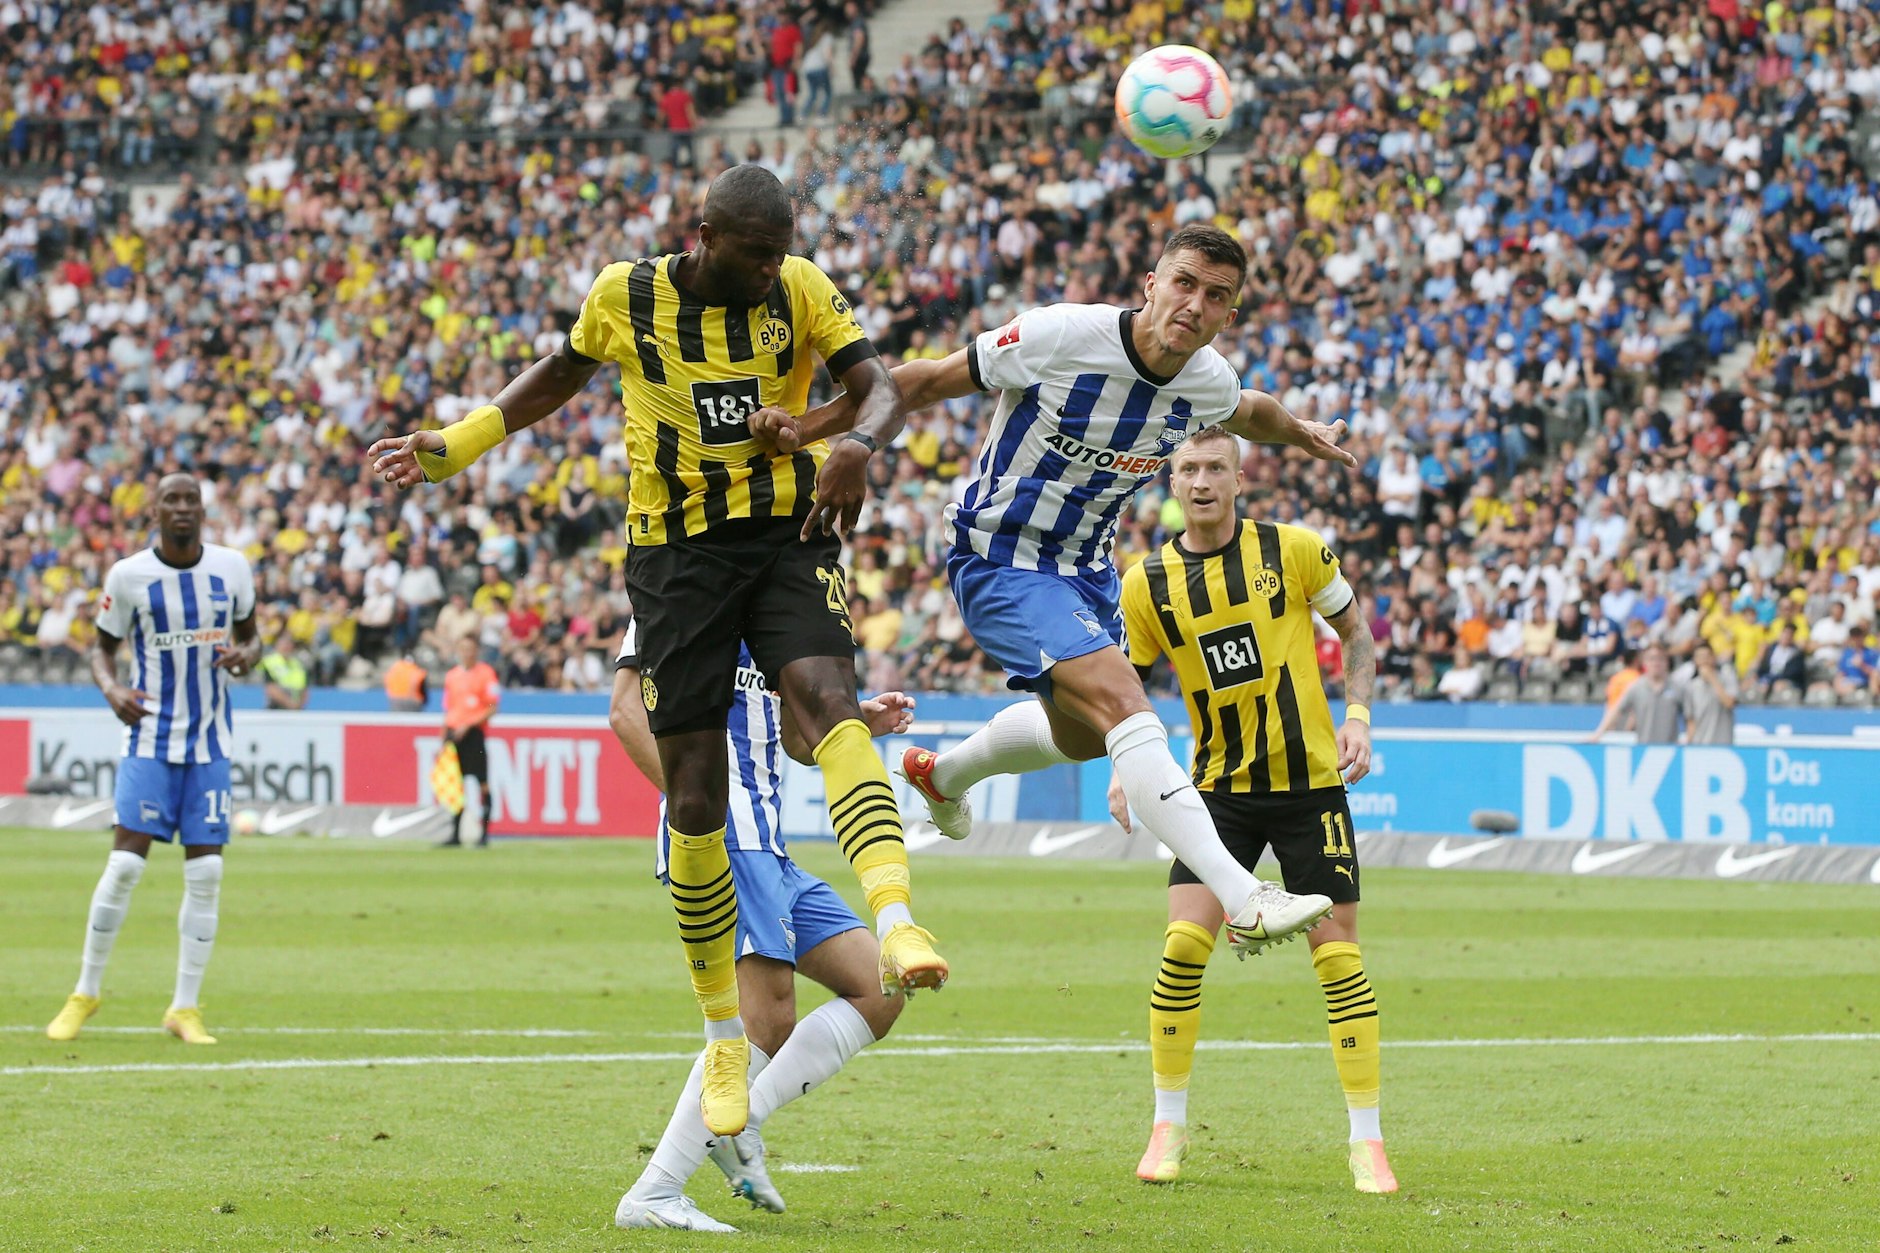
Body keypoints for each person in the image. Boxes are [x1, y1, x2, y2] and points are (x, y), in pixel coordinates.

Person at [369, 164, 944, 1140]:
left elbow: (876, 388)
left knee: (830, 702)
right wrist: (460, 443)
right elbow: (560, 373)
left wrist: (852, 444)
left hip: (786, 531)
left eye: (778, 254)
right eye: (754, 254)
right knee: (694, 798)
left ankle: (895, 916)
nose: (769, 271)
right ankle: (722, 1035)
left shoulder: (798, 289)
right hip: (676, 557)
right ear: (703, 235)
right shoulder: (624, 297)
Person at [770, 223, 1356, 958]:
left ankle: (941, 776)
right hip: (999, 556)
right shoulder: (1061, 336)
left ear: (1228, 316)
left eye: (1216, 297)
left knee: (1082, 736)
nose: (1194, 305)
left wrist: (1300, 432)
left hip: (1086, 573)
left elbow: (1251, 410)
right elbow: (921, 381)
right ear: (1152, 284)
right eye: (1183, 283)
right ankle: (1244, 897)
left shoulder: (1206, 379)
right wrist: (817, 432)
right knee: (1126, 707)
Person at [1106, 427, 1394, 1193]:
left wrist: (1358, 716)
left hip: (1310, 787)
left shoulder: (1293, 550)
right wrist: (1123, 765)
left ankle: (1367, 1139)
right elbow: (1124, 690)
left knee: (1339, 957)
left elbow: (1357, 633)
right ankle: (1167, 1125)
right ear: (1172, 481)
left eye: (1216, 468)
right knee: (1181, 946)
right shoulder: (1146, 583)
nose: (1201, 481)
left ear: (1240, 479)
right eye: (1188, 469)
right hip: (1214, 794)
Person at [610, 620, 905, 1232]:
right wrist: (695, 801)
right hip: (723, 837)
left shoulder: (777, 609)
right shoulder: (680, 590)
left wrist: (856, 722)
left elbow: (795, 740)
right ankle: (655, 1192)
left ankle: (741, 1123)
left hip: (770, 843)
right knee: (767, 1017)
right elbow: (626, 712)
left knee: (878, 985)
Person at [45, 473, 259, 1046]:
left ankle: (184, 1008)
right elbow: (100, 650)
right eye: (172, 500)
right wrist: (111, 689)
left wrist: (247, 656)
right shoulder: (128, 575)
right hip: (150, 740)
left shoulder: (232, 568)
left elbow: (253, 638)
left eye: (191, 500)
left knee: (207, 873)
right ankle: (85, 993)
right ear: (155, 512)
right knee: (124, 866)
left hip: (210, 742)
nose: (182, 508)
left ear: (203, 511)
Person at [439, 634, 499, 847]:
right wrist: (443, 736)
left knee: (482, 783)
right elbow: (449, 709)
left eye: (470, 648)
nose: (467, 653)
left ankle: (484, 835)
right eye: (463, 648)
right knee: (456, 785)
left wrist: (470, 723)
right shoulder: (452, 676)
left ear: (477, 651)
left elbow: (492, 707)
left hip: (474, 734)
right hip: (454, 734)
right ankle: (455, 834)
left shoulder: (486, 674)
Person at [1589, 644, 1686, 743]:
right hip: (1644, 746)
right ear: (1644, 662)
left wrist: (1690, 740)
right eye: (1651, 659)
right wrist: (1598, 734)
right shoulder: (1636, 687)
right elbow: (1616, 709)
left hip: (1670, 747)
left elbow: (1689, 716)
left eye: (1660, 659)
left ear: (1667, 662)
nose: (1656, 663)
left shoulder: (1677, 687)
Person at [1674, 642, 1738, 744]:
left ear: (1714, 658)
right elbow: (1691, 721)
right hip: (1700, 744)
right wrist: (1689, 743)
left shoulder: (1726, 677)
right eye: (1700, 657)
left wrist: (1712, 679)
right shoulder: (1691, 686)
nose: (1704, 660)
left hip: (1723, 744)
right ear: (1695, 660)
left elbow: (1729, 703)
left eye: (1707, 656)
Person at [256, 634, 308, 709]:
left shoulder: (299, 664)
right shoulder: (268, 662)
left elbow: (305, 689)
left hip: (296, 710)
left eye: (289, 644)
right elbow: (270, 688)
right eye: (284, 644)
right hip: (275, 709)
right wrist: (290, 704)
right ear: (276, 645)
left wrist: (298, 705)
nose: (286, 647)